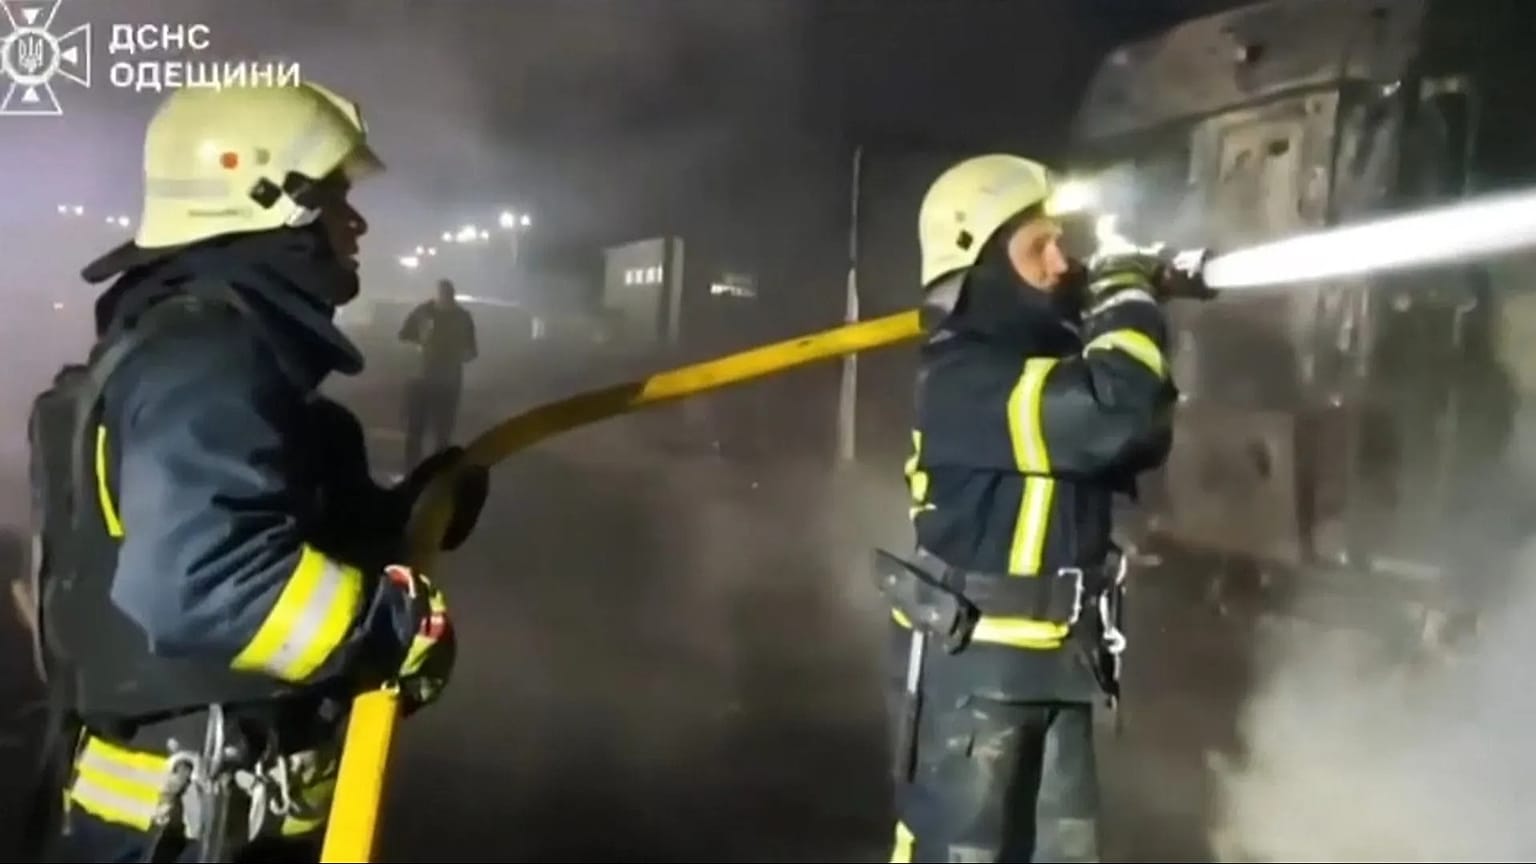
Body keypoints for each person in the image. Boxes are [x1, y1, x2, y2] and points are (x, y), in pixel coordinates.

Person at [23, 80, 488, 862]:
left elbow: (253, 524)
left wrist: (399, 521)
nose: (356, 222)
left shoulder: (206, 345)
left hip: (199, 815)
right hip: (191, 833)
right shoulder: (210, 356)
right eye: (336, 197)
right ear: (276, 201)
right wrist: (389, 629)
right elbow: (206, 580)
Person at [876, 154, 1181, 863]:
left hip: (1061, 664)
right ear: (980, 265)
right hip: (976, 675)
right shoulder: (965, 376)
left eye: (1060, 241)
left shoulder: (1046, 365)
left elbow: (1141, 421)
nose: (1060, 261)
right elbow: (1118, 412)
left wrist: (1118, 308)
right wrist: (1129, 294)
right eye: (1036, 247)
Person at [398, 279, 478, 467]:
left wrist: (459, 355)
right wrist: (420, 347)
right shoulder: (423, 313)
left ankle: (436, 472)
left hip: (446, 382)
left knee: (442, 432)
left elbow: (472, 350)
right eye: (443, 295)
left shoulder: (462, 317)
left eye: (448, 296)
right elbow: (403, 336)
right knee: (416, 429)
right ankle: (411, 471)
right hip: (421, 379)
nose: (445, 300)